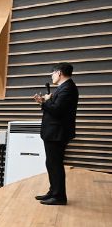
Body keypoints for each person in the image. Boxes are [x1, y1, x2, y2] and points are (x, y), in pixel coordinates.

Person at [33, 62, 78, 205]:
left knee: (55, 164)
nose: (51, 76)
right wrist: (45, 102)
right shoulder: (64, 87)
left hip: (57, 133)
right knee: (51, 163)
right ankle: (53, 192)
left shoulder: (68, 88)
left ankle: (59, 196)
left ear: (59, 73)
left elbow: (57, 111)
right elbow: (56, 107)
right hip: (54, 132)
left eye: (52, 73)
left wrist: (45, 102)